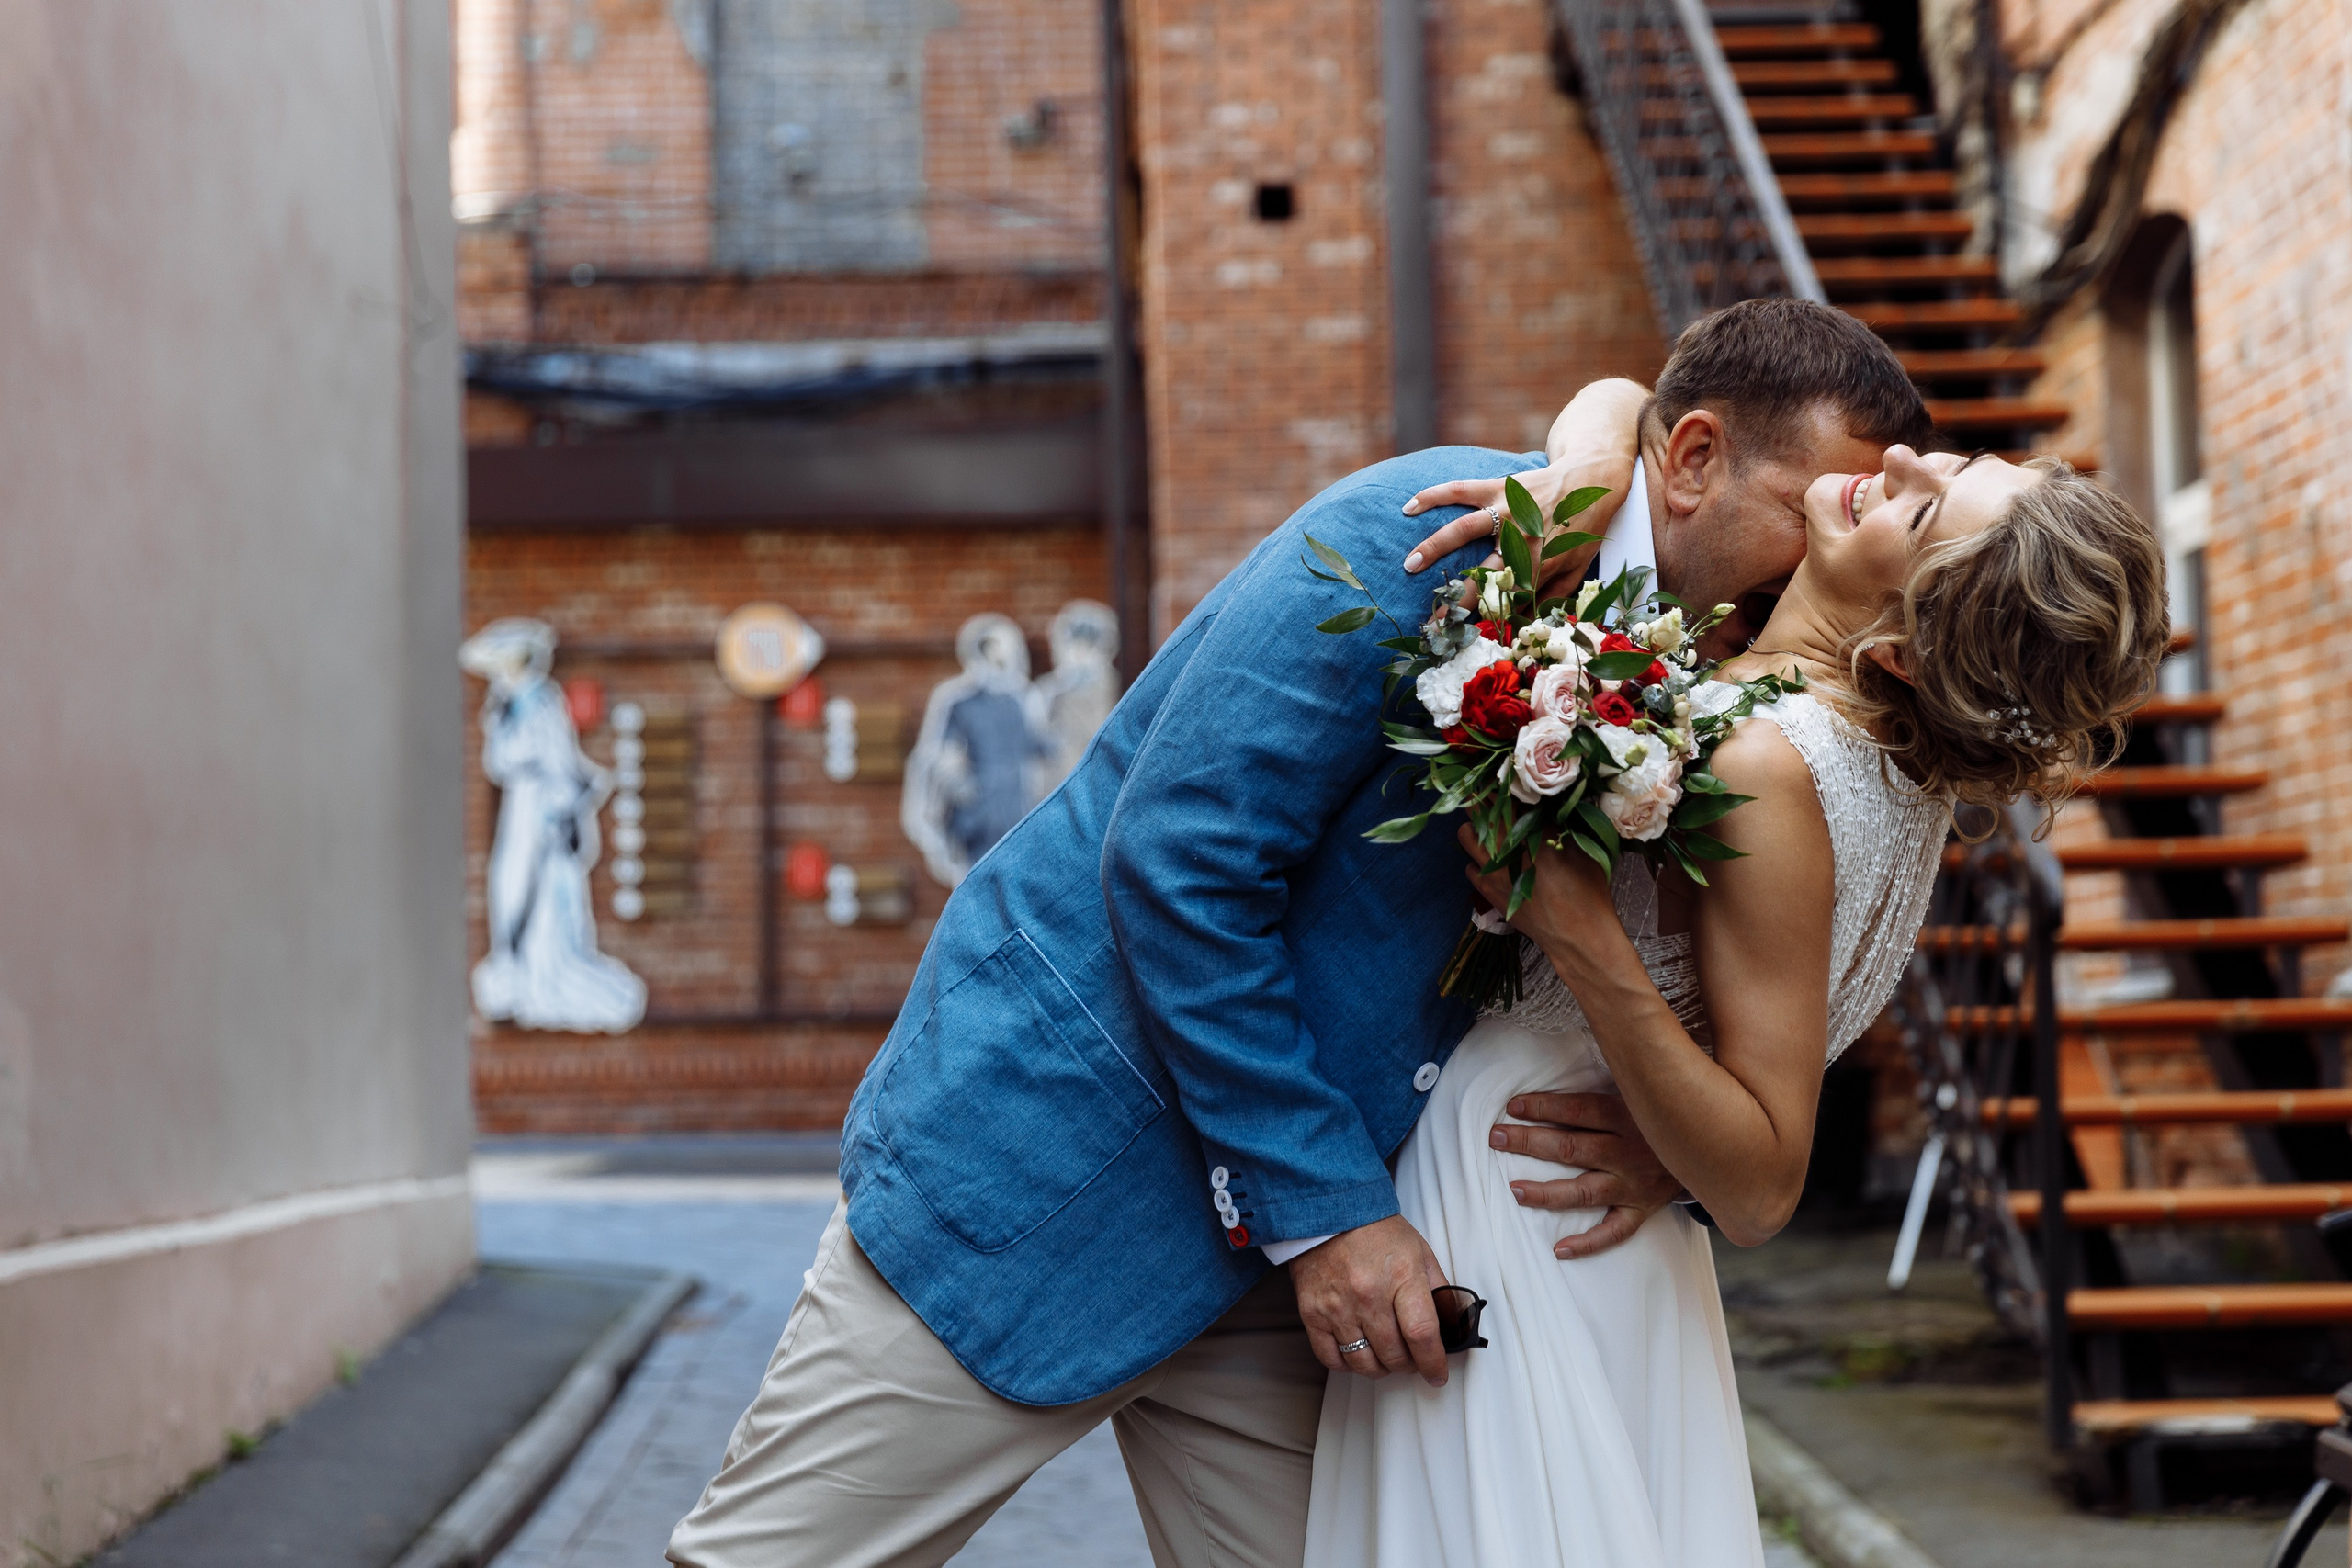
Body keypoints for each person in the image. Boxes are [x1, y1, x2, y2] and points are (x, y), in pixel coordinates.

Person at [666, 299, 1942, 1568]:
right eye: (1814, 502)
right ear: (1697, 456)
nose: (1827, 542)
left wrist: (1665, 1140)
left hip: (1318, 1255)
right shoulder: (1429, 534)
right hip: (1064, 1155)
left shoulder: (1707, 673)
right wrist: (1324, 1216)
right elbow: (1179, 862)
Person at [1304, 428, 2169, 1564]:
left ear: (1905, 654)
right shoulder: (1866, 762)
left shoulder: (1770, 761)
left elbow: (1762, 1184)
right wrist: (1608, 434)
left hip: (1531, 1200)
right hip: (1588, 1212)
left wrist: (1578, 932)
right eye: (1946, 463)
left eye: (1919, 510)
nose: (1900, 457)